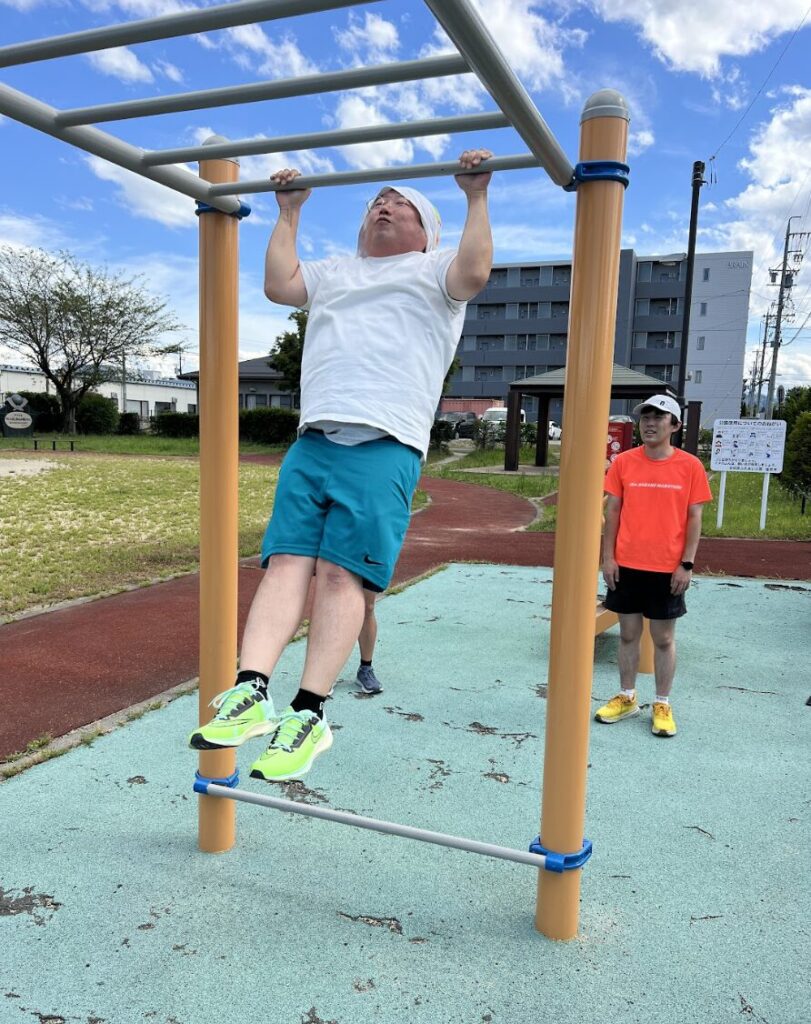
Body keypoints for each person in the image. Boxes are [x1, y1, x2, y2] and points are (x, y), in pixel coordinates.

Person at [189, 149, 494, 780]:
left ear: (425, 228)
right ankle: (250, 690)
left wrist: (475, 196)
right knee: (285, 565)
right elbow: (280, 285)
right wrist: (288, 213)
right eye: (374, 201)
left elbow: (475, 270)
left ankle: (308, 713)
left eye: (399, 201)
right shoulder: (335, 271)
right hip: (314, 439)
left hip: (384, 442)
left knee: (337, 576)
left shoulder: (435, 268)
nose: (382, 205)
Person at [594, 394, 713, 737]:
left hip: (667, 567)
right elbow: (612, 512)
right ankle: (627, 696)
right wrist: (608, 557)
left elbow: (694, 518)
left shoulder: (690, 466)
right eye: (645, 417)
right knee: (628, 634)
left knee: (662, 638)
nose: (649, 423)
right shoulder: (624, 463)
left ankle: (661, 702)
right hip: (626, 564)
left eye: (659, 417)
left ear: (674, 426)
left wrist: (686, 564)